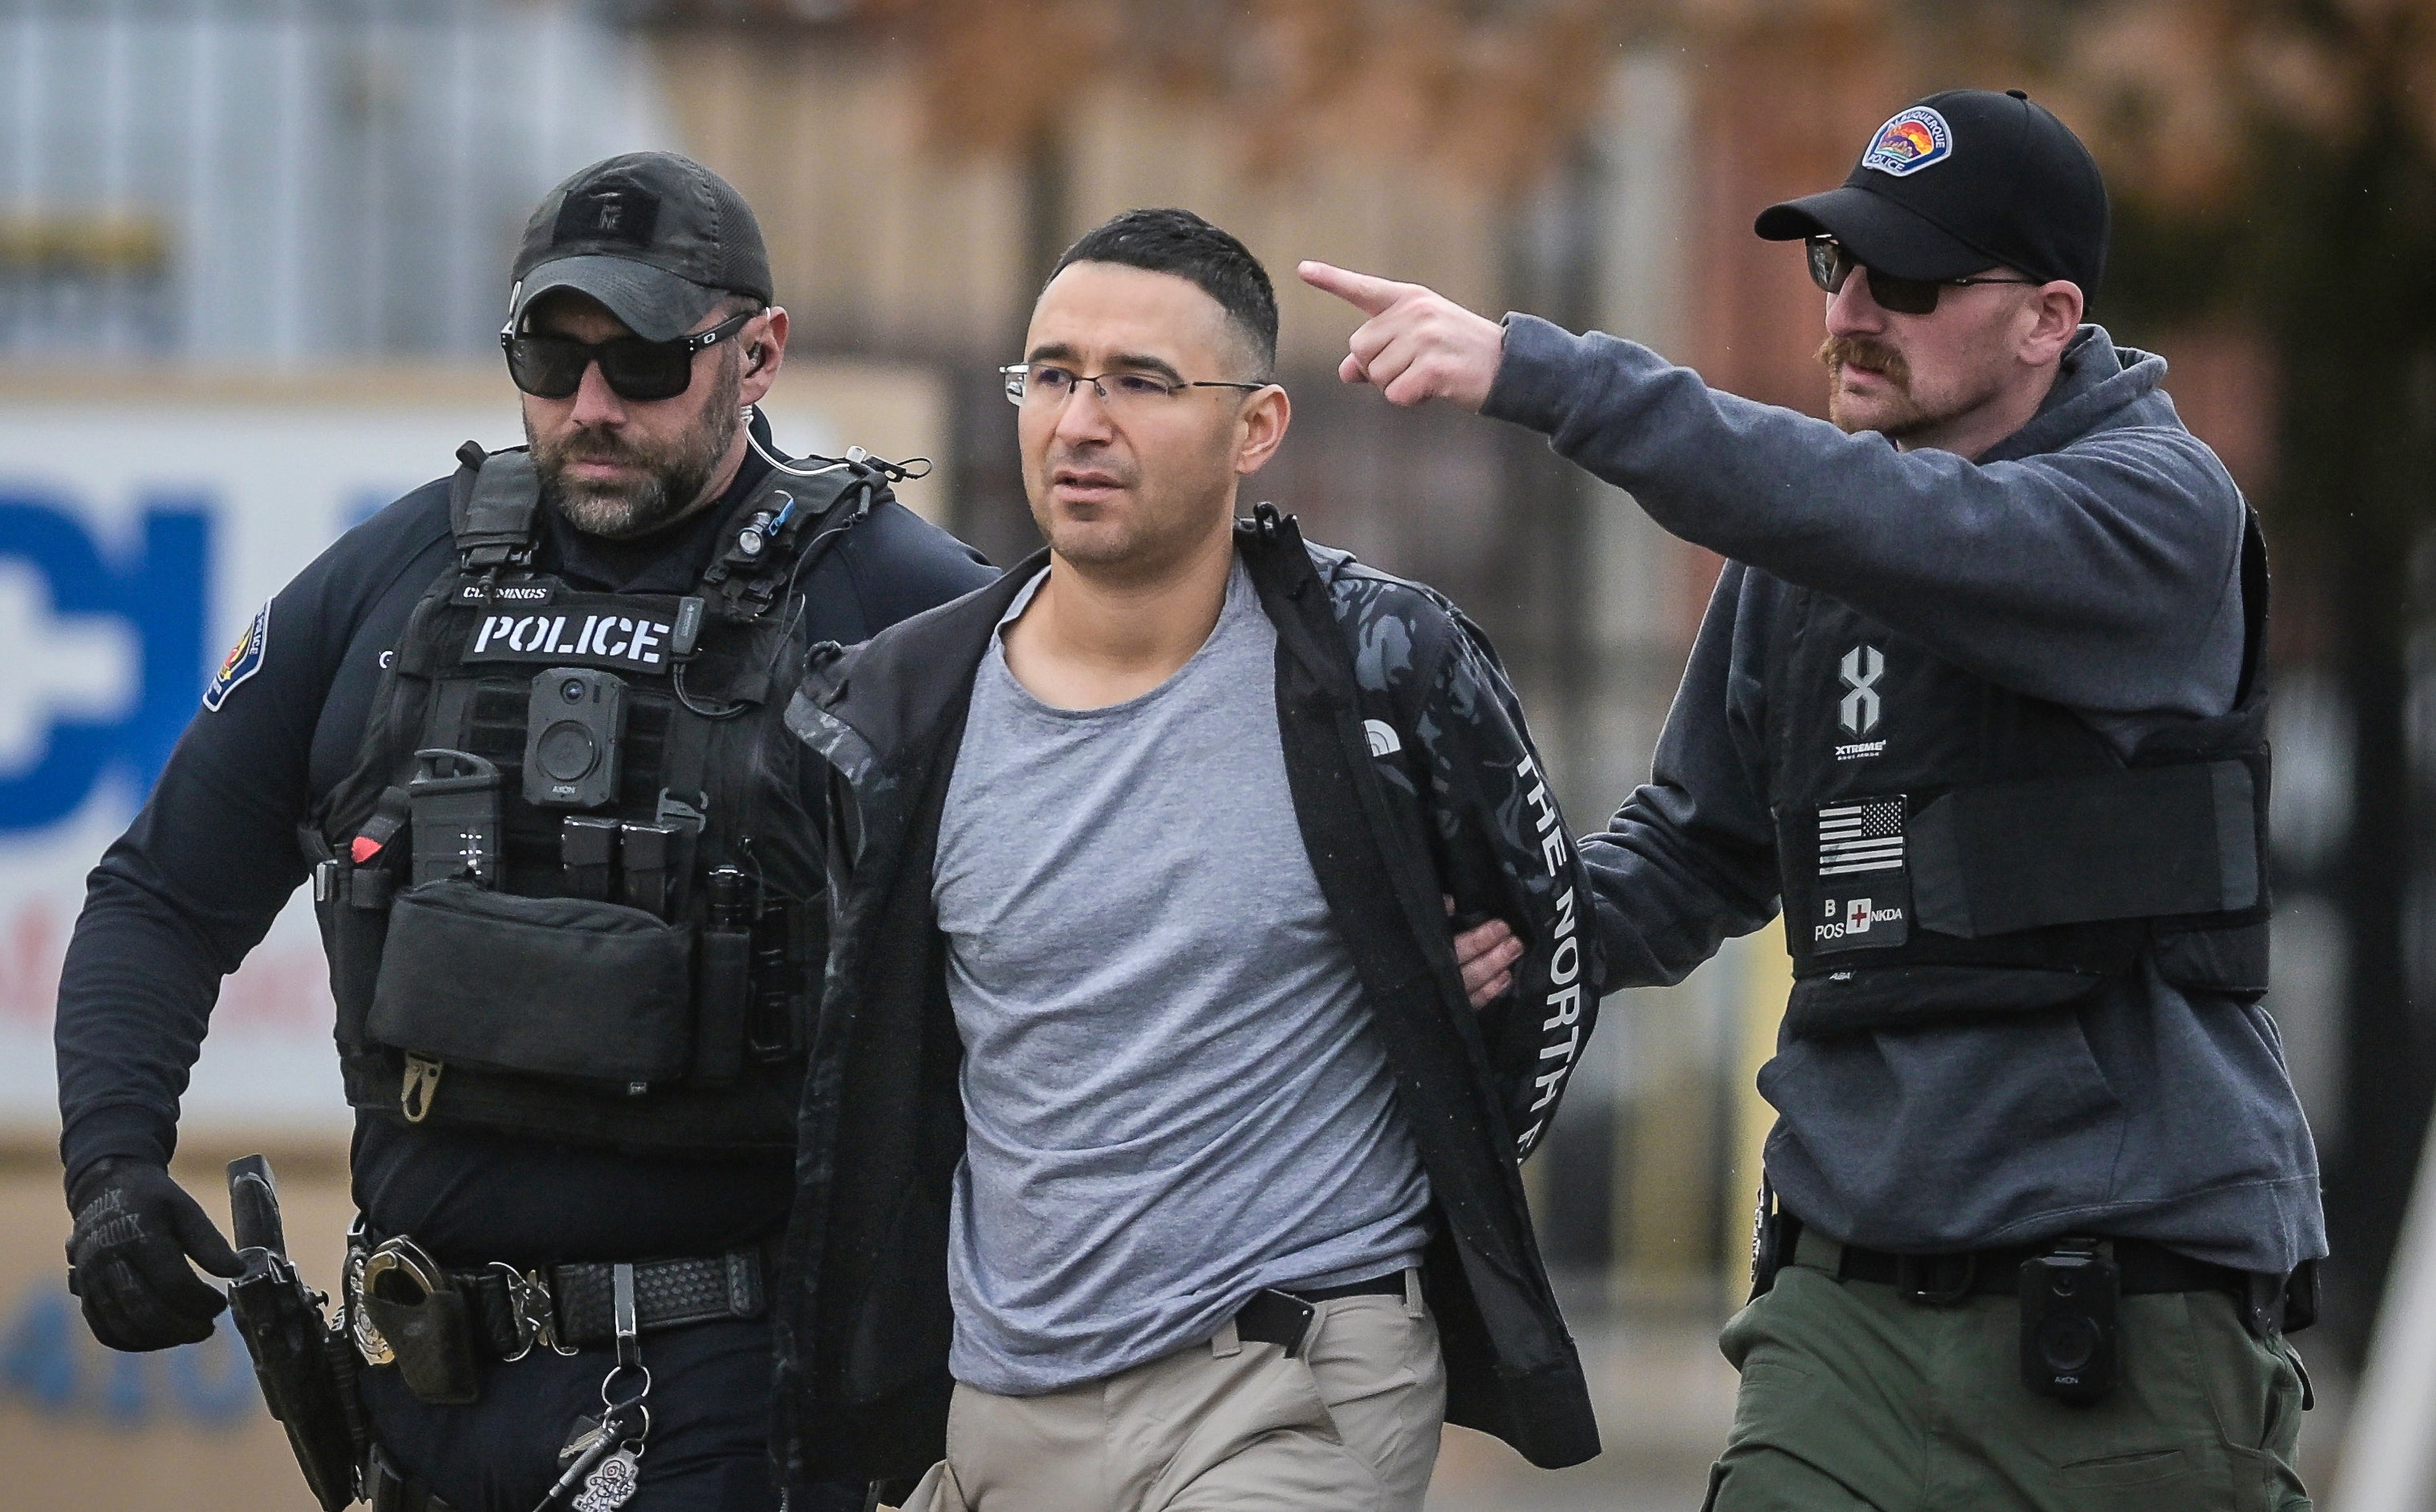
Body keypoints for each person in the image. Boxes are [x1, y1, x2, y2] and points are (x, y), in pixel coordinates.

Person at [1305, 88, 2322, 1512]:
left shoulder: (2159, 512)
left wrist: (1543, 373)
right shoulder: (1803, 557)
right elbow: (1698, 849)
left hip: (2127, 1312)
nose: (1849, 312)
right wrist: (1541, 930)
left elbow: (1910, 532)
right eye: (1832, 266)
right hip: (1840, 1310)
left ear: (2048, 317)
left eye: (1904, 280)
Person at [55, 151, 996, 1512]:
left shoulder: (899, 604)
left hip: (730, 1391)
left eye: (647, 362)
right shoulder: (393, 579)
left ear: (760, 353)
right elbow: (163, 893)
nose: (592, 406)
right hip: (416, 1387)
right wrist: (114, 1168)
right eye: (552, 359)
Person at [765, 208, 1602, 1512]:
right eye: (1052, 374)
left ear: (1256, 428)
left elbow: (1545, 957)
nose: (1080, 420)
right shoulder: (898, 705)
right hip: (993, 1409)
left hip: (1288, 1391)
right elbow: (876, 1062)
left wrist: (1437, 1103)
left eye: (1141, 382)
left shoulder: (1386, 669)